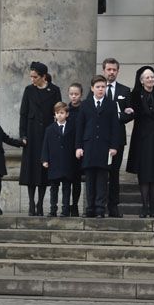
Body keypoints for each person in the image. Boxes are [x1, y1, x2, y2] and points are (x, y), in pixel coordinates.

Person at [19, 61, 62, 216]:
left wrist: (57, 133)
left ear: (43, 76)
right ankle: (31, 203)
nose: (32, 79)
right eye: (31, 77)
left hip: (47, 134)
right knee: (31, 169)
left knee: (44, 170)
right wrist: (22, 134)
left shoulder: (54, 90)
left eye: (35, 77)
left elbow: (58, 111)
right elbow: (23, 113)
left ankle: (40, 204)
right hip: (31, 134)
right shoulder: (29, 90)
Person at [75, 75, 121, 218]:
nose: (101, 89)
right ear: (92, 88)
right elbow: (80, 127)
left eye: (103, 87)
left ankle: (100, 208)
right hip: (88, 146)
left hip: (104, 146)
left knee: (102, 178)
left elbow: (115, 127)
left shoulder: (111, 104)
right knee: (89, 179)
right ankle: (90, 208)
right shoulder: (85, 105)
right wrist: (78, 147)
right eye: (98, 87)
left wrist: (114, 146)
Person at [126, 65, 154, 218]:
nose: (150, 79)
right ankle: (144, 207)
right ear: (141, 81)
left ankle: (153, 207)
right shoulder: (135, 95)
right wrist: (126, 112)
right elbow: (129, 113)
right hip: (142, 138)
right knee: (144, 172)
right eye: (147, 77)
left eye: (152, 77)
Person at [101, 58, 134, 218]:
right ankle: (100, 205)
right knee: (101, 173)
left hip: (118, 139)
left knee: (114, 174)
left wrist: (119, 116)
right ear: (104, 70)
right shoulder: (97, 88)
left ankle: (113, 207)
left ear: (118, 71)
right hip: (100, 139)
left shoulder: (125, 90)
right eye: (109, 69)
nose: (111, 72)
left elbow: (130, 114)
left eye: (114, 69)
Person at [41, 102, 77, 217]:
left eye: (62, 113)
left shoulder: (72, 127)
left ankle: (65, 209)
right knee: (54, 188)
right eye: (57, 113)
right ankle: (53, 209)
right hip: (54, 162)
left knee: (66, 187)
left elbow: (75, 143)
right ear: (54, 115)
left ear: (67, 114)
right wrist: (45, 159)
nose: (59, 115)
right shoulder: (50, 129)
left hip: (67, 162)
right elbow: (45, 145)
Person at [67, 83, 84, 217]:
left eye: (76, 94)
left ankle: (75, 205)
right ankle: (66, 205)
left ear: (81, 95)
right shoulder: (66, 110)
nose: (74, 96)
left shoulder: (85, 108)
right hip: (68, 148)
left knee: (77, 180)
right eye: (71, 94)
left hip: (81, 148)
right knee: (68, 178)